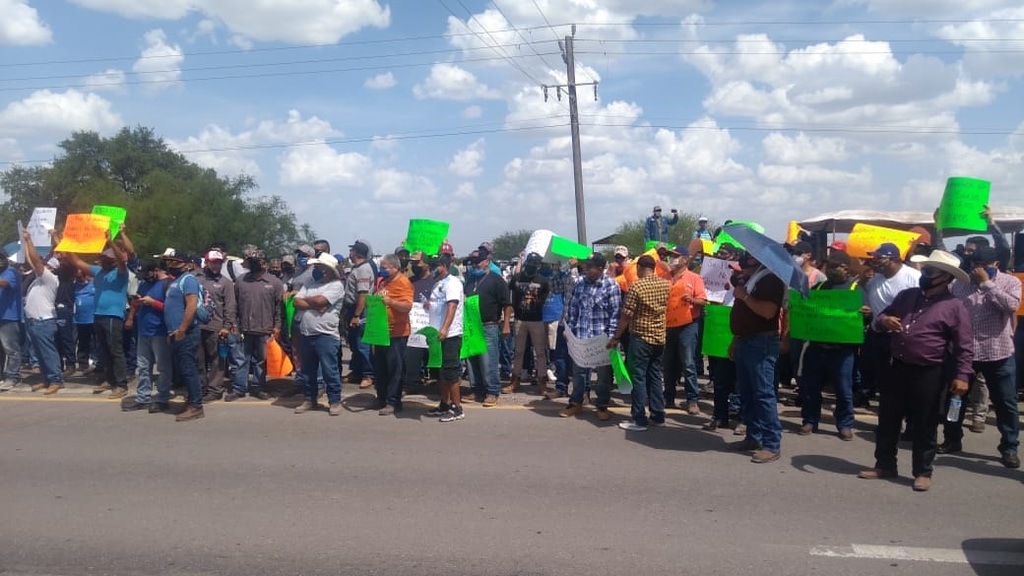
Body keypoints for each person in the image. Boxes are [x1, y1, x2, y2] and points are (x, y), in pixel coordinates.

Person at [859, 250, 973, 491]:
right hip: (897, 366)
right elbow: (883, 317)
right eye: (925, 270)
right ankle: (885, 464)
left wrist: (962, 375)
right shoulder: (907, 295)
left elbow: (964, 345)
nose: (924, 274)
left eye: (930, 271)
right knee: (888, 419)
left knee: (925, 423)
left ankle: (922, 471)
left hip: (929, 371)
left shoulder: (954, 306)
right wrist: (884, 321)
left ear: (945, 277)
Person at [942, 246, 1020, 468]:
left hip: (998, 353)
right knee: (956, 400)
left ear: (995, 264)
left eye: (982, 266)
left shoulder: (1010, 282)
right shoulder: (959, 284)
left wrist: (987, 283)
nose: (977, 270)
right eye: (974, 265)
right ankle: (952, 439)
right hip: (964, 353)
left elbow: (1012, 306)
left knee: (1006, 403)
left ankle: (1009, 447)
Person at [794, 250, 861, 440]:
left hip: (842, 351)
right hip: (816, 347)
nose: (830, 270)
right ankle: (810, 420)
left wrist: (865, 313)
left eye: (834, 267)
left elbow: (864, 315)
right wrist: (797, 308)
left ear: (845, 268)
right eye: (828, 267)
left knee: (843, 390)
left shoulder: (854, 289)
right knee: (811, 388)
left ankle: (844, 424)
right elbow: (808, 309)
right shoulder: (819, 288)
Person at [729, 251, 786, 463]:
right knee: (748, 393)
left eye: (750, 260)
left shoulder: (770, 280)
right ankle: (753, 437)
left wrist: (744, 295)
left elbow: (768, 312)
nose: (744, 264)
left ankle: (771, 444)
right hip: (746, 340)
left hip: (761, 342)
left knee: (763, 394)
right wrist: (736, 339)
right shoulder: (754, 279)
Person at [608, 254, 670, 431]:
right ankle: (658, 415)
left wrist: (616, 337)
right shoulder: (665, 285)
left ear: (639, 268)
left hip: (641, 337)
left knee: (639, 377)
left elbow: (626, 315)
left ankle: (639, 418)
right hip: (659, 337)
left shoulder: (637, 286)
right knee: (655, 375)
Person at [66, 234, 130, 399]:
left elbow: (122, 260)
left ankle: (121, 384)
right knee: (104, 351)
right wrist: (64, 242)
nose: (101, 260)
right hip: (99, 315)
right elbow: (77, 262)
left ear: (112, 260)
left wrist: (110, 242)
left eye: (105, 257)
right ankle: (109, 379)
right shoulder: (98, 272)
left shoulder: (121, 272)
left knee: (115, 350)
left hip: (112, 316)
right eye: (102, 257)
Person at [859, 242, 921, 406]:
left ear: (893, 259)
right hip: (875, 333)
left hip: (898, 335)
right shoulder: (874, 280)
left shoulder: (913, 276)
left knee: (894, 378)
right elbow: (874, 301)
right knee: (870, 369)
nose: (875, 261)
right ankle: (869, 396)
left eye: (879, 258)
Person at [562, 252, 620, 420]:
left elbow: (615, 314)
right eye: (586, 266)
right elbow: (573, 308)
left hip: (601, 338)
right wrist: (569, 330)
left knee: (602, 376)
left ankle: (602, 405)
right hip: (581, 336)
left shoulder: (611, 285)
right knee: (579, 373)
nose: (586, 269)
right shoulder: (580, 283)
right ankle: (576, 403)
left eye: (590, 266)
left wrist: (612, 337)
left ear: (600, 268)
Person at [293, 253, 346, 416]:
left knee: (329, 370)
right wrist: (314, 304)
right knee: (308, 371)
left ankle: (334, 401)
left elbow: (321, 302)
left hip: (326, 335)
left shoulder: (336, 285)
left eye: (319, 267)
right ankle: (310, 399)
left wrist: (309, 302)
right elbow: (296, 301)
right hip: (307, 333)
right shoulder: (309, 283)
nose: (315, 270)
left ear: (328, 270)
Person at [228, 248, 283, 401]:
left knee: (261, 361)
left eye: (256, 262)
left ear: (264, 264)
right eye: (250, 262)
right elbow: (234, 305)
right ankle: (239, 388)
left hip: (265, 329)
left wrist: (277, 327)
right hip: (243, 328)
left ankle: (258, 387)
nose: (252, 264)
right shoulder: (241, 281)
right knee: (241, 360)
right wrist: (232, 323)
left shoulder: (274, 282)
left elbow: (279, 308)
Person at [463, 247, 511, 406]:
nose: (475, 265)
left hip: (489, 325)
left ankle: (492, 391)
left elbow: (507, 304)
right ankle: (477, 390)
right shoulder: (470, 280)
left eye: (478, 262)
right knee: (472, 360)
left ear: (487, 262)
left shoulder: (497, 280)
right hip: (472, 325)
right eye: (473, 263)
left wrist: (505, 326)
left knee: (488, 361)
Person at [160, 253, 205, 421]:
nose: (171, 265)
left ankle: (196, 406)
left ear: (187, 265)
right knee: (184, 370)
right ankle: (192, 401)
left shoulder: (188, 280)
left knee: (189, 369)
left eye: (176, 262)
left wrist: (182, 329)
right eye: (170, 262)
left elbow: (191, 305)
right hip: (175, 333)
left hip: (186, 333)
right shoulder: (176, 281)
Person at [121, 261, 171, 412]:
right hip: (143, 331)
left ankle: (162, 398)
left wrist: (153, 303)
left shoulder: (167, 284)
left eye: (147, 274)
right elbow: (136, 304)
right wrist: (132, 313)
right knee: (143, 367)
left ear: (155, 271)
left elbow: (171, 308)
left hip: (160, 332)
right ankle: (142, 397)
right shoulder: (144, 285)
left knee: (162, 368)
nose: (144, 277)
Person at [662, 247, 707, 413]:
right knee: (668, 364)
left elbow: (703, 300)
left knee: (688, 364)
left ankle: (692, 400)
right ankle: (668, 398)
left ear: (685, 260)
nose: (672, 259)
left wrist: (692, 299)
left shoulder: (694, 278)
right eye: (671, 256)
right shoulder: (664, 277)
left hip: (688, 325)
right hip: (667, 326)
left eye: (676, 256)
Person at [423, 255, 465, 422]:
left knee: (451, 372)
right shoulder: (438, 283)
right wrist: (429, 304)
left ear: (443, 266)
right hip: (436, 335)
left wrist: (445, 328)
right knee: (441, 372)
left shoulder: (453, 283)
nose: (432, 269)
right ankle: (444, 404)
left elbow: (452, 306)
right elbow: (438, 303)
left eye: (435, 266)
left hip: (449, 334)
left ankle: (457, 408)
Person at [21, 230, 64, 395]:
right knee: (39, 353)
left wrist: (30, 240)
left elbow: (36, 261)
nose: (45, 266)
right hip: (34, 321)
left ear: (52, 268)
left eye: (48, 265)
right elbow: (32, 261)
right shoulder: (39, 279)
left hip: (43, 321)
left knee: (48, 352)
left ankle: (56, 380)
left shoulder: (50, 279)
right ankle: (47, 378)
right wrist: (26, 243)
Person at [372, 254, 413, 416]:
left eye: (385, 267)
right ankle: (381, 397)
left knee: (395, 369)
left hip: (397, 333)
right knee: (380, 368)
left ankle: (393, 401)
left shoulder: (403, 282)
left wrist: (390, 302)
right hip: (381, 332)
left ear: (395, 267)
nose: (382, 270)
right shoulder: (384, 282)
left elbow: (407, 306)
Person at [197, 250, 237, 402]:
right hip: (196, 326)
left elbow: (230, 306)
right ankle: (200, 388)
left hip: (216, 327)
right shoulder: (196, 279)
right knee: (198, 360)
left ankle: (215, 389)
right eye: (213, 262)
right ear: (206, 262)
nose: (216, 266)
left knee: (217, 361)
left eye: (219, 263)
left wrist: (227, 326)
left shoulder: (225, 282)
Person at [509, 252, 550, 394]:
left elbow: (544, 299)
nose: (532, 266)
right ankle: (515, 381)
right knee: (518, 351)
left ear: (538, 265)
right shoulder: (517, 278)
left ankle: (542, 381)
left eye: (534, 263)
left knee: (540, 352)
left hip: (536, 319)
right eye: (530, 263)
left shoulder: (543, 281)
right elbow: (512, 295)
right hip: (520, 319)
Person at [343, 240, 376, 389]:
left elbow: (363, 295)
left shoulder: (363, 269)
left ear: (355, 252)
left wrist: (356, 316)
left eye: (352, 250)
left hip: (360, 310)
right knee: (354, 343)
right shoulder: (357, 268)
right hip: (352, 308)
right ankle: (357, 371)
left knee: (362, 343)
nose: (350, 253)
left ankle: (368, 374)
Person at [0, 249, 23, 391]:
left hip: (9, 317)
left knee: (11, 349)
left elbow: (4, 284)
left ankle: (13, 377)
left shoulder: (11, 272)